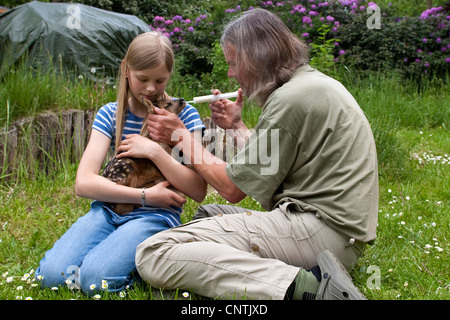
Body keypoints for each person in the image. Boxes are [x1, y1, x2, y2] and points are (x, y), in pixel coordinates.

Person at [135, 9, 379, 300]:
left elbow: (231, 188)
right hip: (339, 235)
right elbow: (270, 161)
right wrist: (236, 125)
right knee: (207, 216)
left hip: (322, 234)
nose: (230, 73)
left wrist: (181, 138)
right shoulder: (308, 85)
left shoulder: (289, 99)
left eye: (233, 62)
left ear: (256, 56)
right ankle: (276, 276)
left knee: (154, 252)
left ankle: (311, 291)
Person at [35, 32, 207, 296]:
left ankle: (143, 266)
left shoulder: (184, 115)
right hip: (107, 209)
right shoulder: (110, 114)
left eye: (160, 80)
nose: (151, 89)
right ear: (126, 70)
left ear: (170, 75)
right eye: (142, 79)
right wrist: (145, 195)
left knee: (95, 281)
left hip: (156, 214)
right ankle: (115, 259)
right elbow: (83, 183)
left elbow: (197, 189)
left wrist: (155, 151)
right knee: (51, 277)